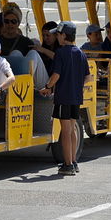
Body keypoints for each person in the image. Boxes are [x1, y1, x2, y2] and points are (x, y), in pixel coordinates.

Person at [40, 21, 88, 175]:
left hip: (64, 98)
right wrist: (75, 83)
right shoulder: (81, 53)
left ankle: (67, 165)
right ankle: (74, 161)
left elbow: (56, 75)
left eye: (58, 34)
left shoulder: (61, 53)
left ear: (64, 36)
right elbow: (88, 77)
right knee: (73, 129)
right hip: (76, 97)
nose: (56, 36)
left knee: (65, 131)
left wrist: (47, 87)